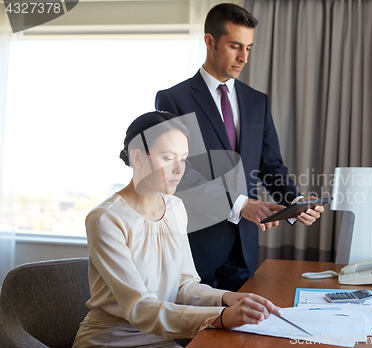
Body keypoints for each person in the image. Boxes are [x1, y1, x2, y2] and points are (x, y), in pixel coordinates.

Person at [72, 111, 280, 348]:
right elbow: (139, 308)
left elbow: (184, 286)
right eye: (169, 158)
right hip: (113, 340)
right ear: (137, 158)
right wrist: (220, 317)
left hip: (163, 338)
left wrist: (225, 298)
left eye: (184, 158)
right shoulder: (106, 219)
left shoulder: (175, 207)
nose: (180, 170)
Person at [155, 3, 324, 292]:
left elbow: (270, 165)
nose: (243, 57)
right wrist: (241, 205)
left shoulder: (258, 101)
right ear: (210, 41)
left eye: (248, 47)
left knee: (240, 333)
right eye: (235, 46)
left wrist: (295, 204)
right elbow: (178, 173)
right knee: (197, 334)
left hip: (245, 246)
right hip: (197, 245)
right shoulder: (174, 100)